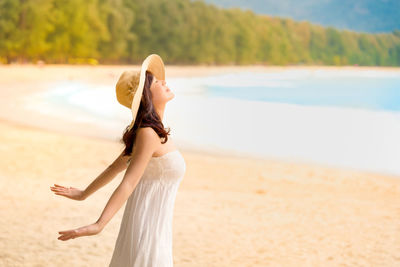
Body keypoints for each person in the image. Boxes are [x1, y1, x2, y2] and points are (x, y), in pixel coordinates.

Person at [50, 54, 186, 266]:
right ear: (144, 97)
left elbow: (115, 167)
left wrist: (84, 193)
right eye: (156, 82)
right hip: (147, 227)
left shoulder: (151, 132)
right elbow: (129, 181)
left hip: (155, 227)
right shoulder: (148, 134)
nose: (164, 82)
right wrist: (99, 224)